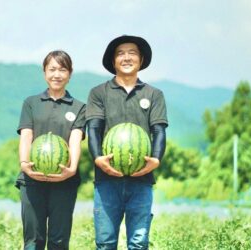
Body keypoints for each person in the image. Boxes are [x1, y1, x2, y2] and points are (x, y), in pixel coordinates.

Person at [86, 35, 168, 249]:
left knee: (139, 243)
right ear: (113, 61)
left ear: (141, 60)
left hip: (141, 181)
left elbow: (159, 131)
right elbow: (93, 128)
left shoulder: (154, 94)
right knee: (105, 243)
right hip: (106, 181)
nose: (126, 57)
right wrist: (98, 159)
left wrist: (156, 160)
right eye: (120, 53)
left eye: (132, 53)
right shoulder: (98, 93)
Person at [16, 50, 86, 250]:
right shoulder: (31, 103)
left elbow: (75, 140)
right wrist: (24, 165)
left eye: (62, 69)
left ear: (70, 74)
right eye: (52, 69)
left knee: (59, 240)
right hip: (31, 179)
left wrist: (71, 169)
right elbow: (26, 135)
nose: (57, 74)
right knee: (33, 240)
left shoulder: (79, 107)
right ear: (44, 72)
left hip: (65, 181)